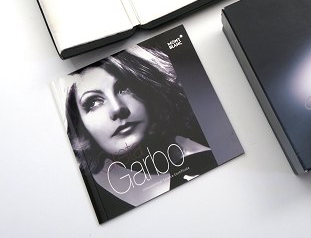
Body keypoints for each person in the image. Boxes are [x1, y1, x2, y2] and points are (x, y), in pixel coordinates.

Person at [63, 44, 217, 218]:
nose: (117, 108)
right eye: (94, 102)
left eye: (123, 88)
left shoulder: (204, 158)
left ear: (148, 89)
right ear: (80, 124)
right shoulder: (82, 196)